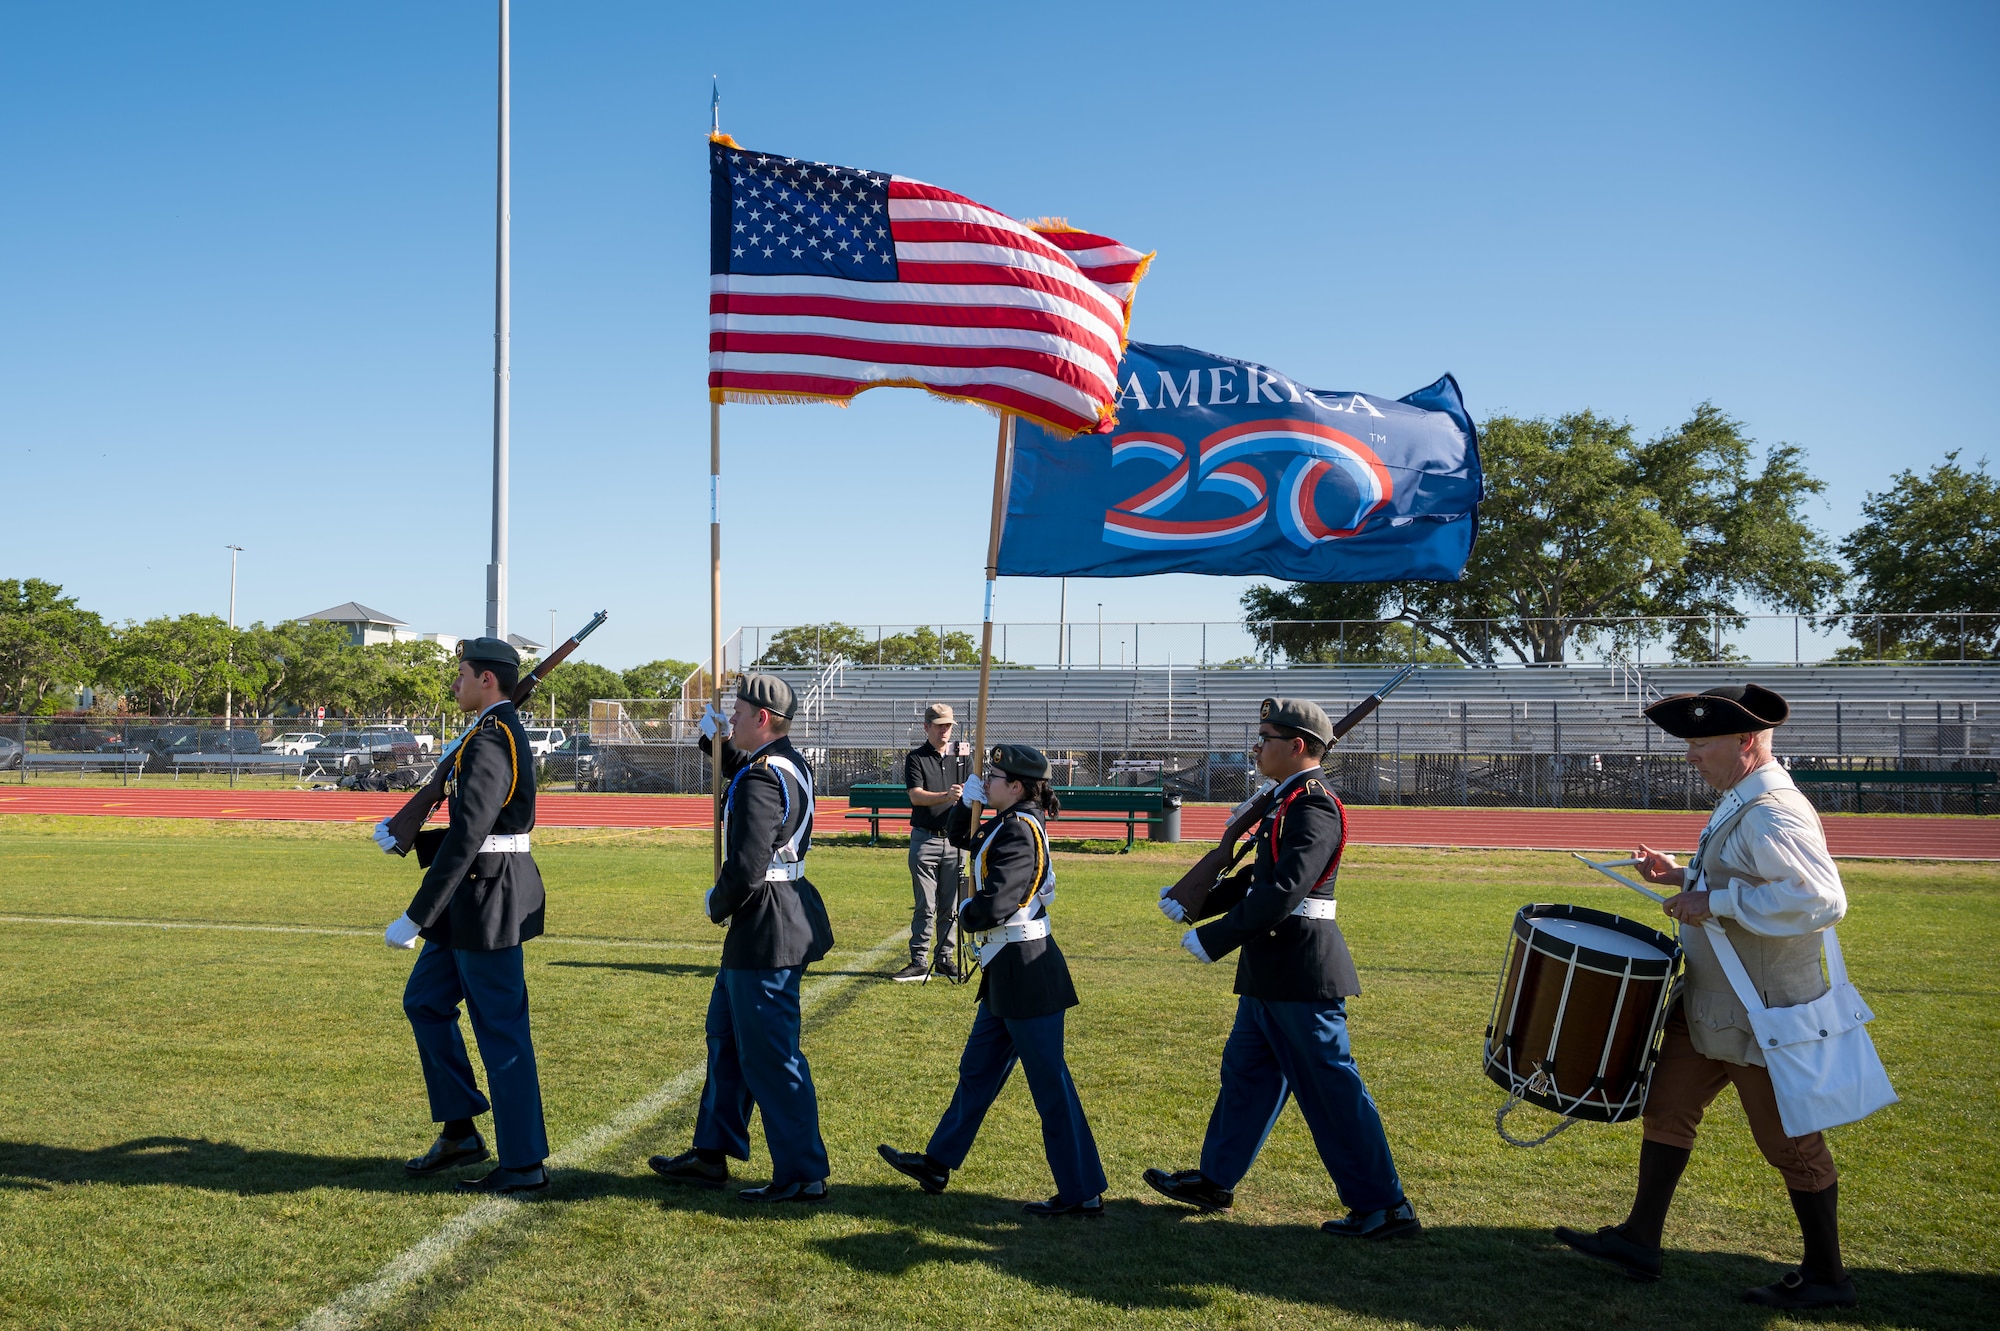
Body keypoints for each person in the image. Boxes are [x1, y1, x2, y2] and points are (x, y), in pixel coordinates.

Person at [1555, 683, 1857, 1310]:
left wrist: (1712, 901)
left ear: (1747, 741)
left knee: (1790, 1145)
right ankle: (1641, 1239)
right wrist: (1682, 876)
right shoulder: (1741, 798)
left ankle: (1828, 1277)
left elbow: (1822, 900)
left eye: (1701, 744)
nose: (1690, 756)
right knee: (1667, 1110)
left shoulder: (1775, 809)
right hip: (1712, 1002)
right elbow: (1744, 876)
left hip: (1762, 1012)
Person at [1145, 697, 1419, 1240]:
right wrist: (1202, 901)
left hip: (1300, 967)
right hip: (1272, 967)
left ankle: (1384, 1205)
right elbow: (1257, 879)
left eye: (1266, 737)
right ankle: (1216, 1179)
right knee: (1246, 1077)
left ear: (1297, 746)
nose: (1256, 745)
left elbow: (1287, 890)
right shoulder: (1285, 800)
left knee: (1331, 1090)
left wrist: (1216, 937)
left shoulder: (1312, 806)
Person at [877, 743, 1108, 1216]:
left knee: (1050, 1086)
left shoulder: (1020, 831)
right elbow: (959, 836)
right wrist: (966, 802)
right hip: (1006, 970)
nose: (989, 782)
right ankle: (938, 1162)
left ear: (1018, 786)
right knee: (977, 1072)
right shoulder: (1006, 822)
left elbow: (998, 903)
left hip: (1027, 969)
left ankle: (1082, 1189)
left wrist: (965, 911)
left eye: (995, 777)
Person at [649, 673, 837, 1203]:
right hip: (772, 919)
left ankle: (802, 1171)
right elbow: (736, 771)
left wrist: (717, 902)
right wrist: (711, 740)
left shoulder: (761, 778)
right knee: (727, 1041)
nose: (730, 717)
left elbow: (748, 864)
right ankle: (712, 1153)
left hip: (765, 924)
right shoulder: (783, 763)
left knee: (771, 1056)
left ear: (761, 718)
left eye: (736, 711)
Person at [376, 637, 550, 1195]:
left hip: (487, 901)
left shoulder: (492, 740)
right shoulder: (485, 733)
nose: (454, 683)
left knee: (501, 1034)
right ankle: (460, 1131)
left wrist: (417, 914)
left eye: (461, 674)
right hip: (470, 902)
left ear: (487, 681)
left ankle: (524, 1164)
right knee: (424, 1002)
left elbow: (472, 834)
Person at [893, 702, 972, 983]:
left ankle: (944, 958)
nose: (945, 731)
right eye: (939, 726)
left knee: (950, 905)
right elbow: (915, 796)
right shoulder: (916, 758)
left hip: (955, 841)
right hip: (925, 839)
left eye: (948, 725)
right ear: (926, 727)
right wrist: (946, 796)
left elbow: (973, 792)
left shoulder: (962, 756)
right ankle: (918, 959)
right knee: (925, 904)